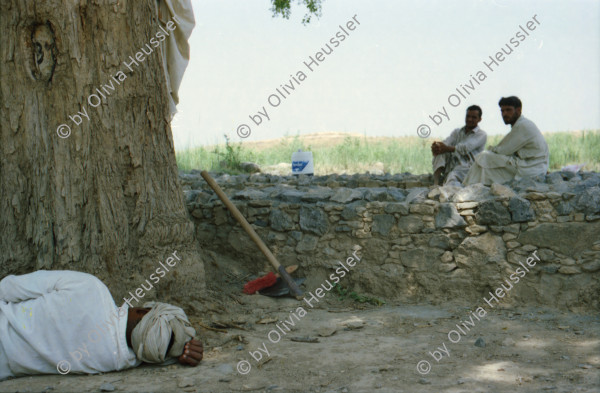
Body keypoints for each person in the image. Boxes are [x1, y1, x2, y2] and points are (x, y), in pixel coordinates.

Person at [0, 270, 203, 380]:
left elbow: (7, 288)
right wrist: (180, 350)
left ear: (143, 310)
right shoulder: (113, 362)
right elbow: (152, 350)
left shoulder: (89, 288)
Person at [463, 96, 549, 186]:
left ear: (518, 110)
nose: (504, 114)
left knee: (484, 156)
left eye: (508, 110)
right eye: (502, 111)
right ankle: (470, 186)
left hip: (530, 168)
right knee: (484, 161)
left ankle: (467, 186)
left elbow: (503, 150)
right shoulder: (521, 124)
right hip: (530, 166)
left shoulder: (523, 126)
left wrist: (491, 150)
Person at [431, 105, 487, 186]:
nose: (469, 119)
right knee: (440, 152)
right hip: (453, 163)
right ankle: (436, 182)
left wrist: (444, 147)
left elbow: (465, 148)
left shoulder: (481, 134)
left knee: (452, 177)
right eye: (468, 116)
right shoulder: (457, 132)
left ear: (479, 119)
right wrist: (437, 146)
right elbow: (447, 142)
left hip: (467, 167)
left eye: (473, 117)